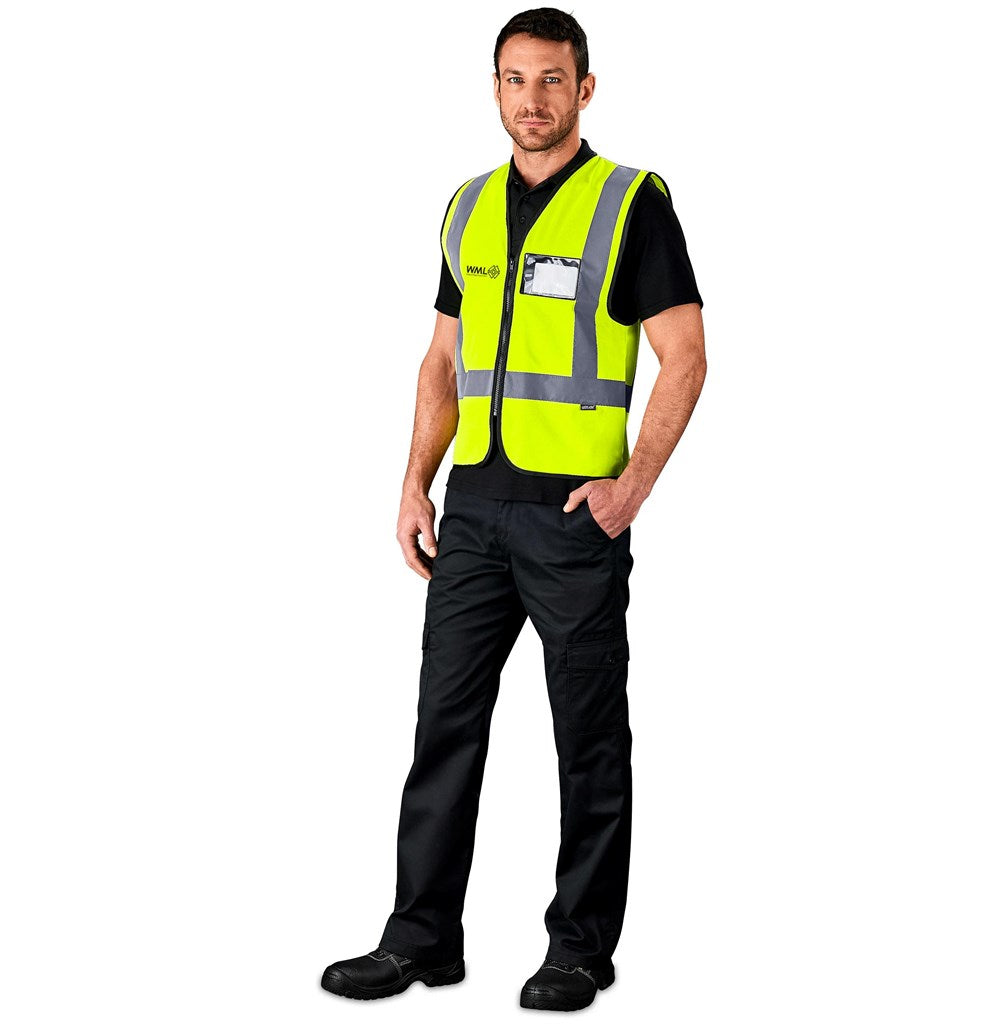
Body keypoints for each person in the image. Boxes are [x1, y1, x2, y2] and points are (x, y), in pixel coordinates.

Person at [321, 6, 706, 1012]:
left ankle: (579, 948)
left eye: (551, 79)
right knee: (442, 728)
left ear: (586, 89)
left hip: (574, 521)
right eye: (514, 78)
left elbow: (685, 355)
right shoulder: (466, 207)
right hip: (474, 511)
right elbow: (442, 359)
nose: (531, 99)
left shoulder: (631, 203)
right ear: (493, 88)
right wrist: (414, 480)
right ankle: (420, 939)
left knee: (588, 740)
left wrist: (632, 487)